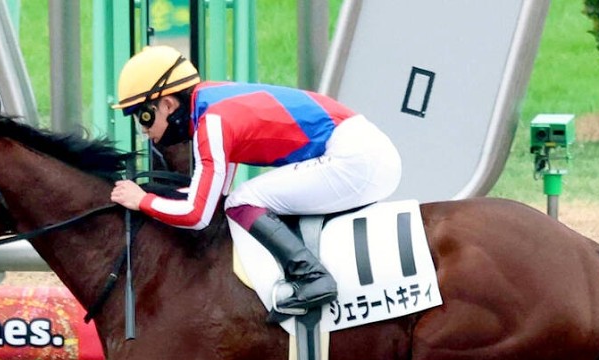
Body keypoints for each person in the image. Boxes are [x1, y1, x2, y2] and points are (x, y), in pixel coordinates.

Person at [108, 45, 403, 318]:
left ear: (169, 105)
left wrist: (142, 200)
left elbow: (198, 215)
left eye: (142, 116)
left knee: (243, 200)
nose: (143, 130)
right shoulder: (211, 102)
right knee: (238, 199)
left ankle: (311, 277)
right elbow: (214, 193)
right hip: (363, 151)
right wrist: (163, 197)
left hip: (356, 160)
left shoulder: (211, 121)